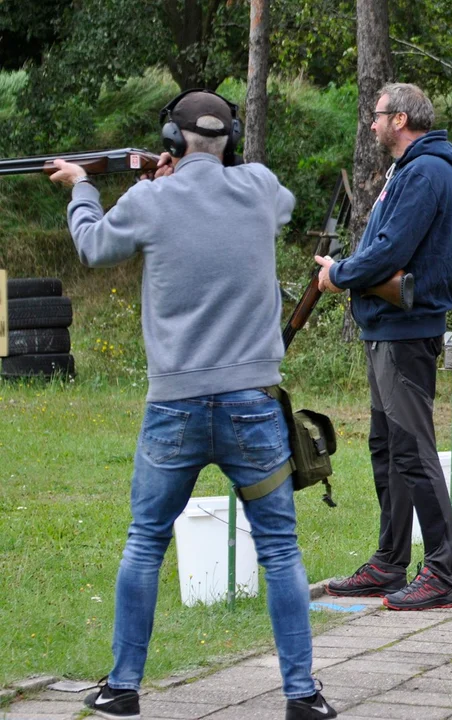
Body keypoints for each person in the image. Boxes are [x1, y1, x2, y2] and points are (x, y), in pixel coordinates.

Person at [50, 90, 336, 720]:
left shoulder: (151, 199)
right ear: (227, 138)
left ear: (171, 141)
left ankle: (123, 688)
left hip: (175, 406)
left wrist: (80, 187)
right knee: (281, 551)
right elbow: (270, 206)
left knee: (145, 543)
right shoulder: (259, 187)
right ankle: (301, 695)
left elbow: (95, 247)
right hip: (254, 408)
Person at [315, 83, 452, 611]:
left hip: (405, 330)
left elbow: (390, 252)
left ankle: (442, 573)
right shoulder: (409, 170)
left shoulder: (425, 172)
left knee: (414, 450)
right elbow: (384, 248)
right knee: (389, 448)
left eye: (377, 116)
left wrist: (339, 275)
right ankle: (389, 562)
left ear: (400, 119)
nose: (371, 125)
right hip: (387, 328)